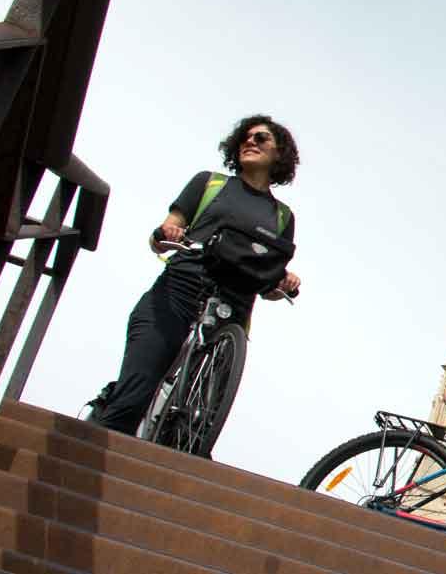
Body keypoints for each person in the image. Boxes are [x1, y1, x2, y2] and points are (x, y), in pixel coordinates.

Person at [94, 114, 303, 436]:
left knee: (196, 421)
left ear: (279, 153)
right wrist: (167, 232)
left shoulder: (282, 217)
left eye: (261, 138)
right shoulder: (209, 183)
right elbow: (159, 238)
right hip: (179, 291)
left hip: (232, 310)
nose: (250, 141)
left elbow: (270, 285)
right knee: (133, 397)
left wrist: (284, 282)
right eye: (245, 138)